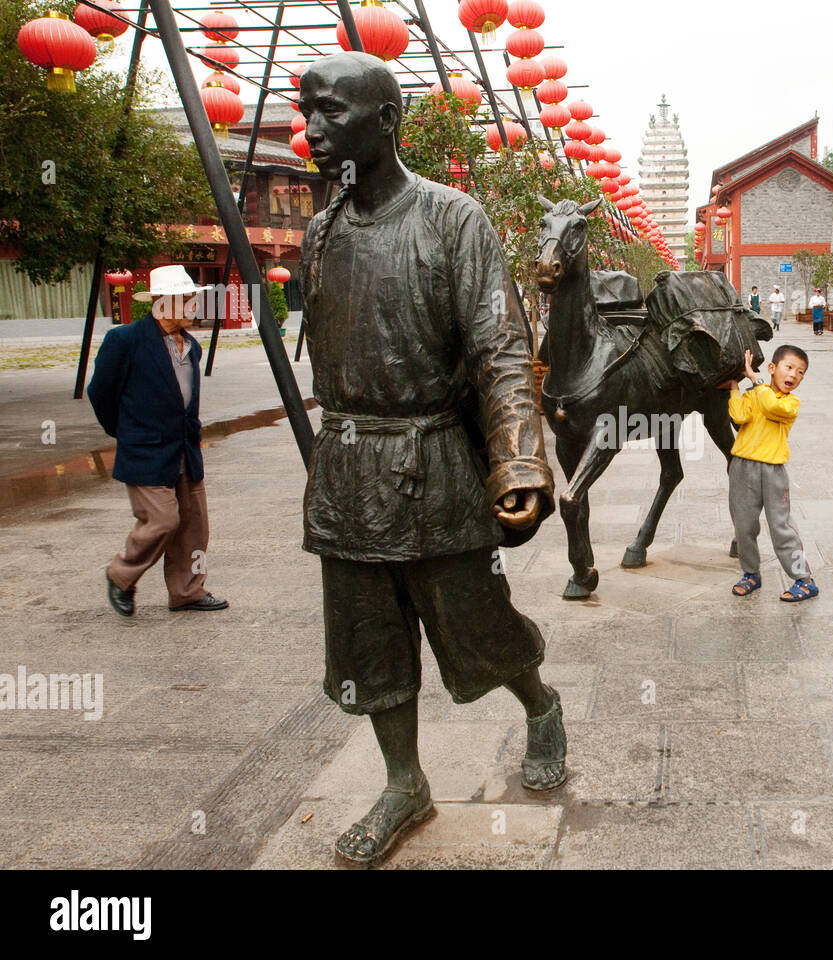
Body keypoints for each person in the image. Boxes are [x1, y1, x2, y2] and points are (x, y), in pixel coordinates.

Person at [298, 52, 565, 866]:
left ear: (385, 121)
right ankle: (403, 781)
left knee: (476, 625)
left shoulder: (454, 220)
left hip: (435, 465)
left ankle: (540, 702)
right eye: (306, 110)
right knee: (368, 645)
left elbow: (500, 350)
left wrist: (518, 461)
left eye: (333, 113)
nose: (312, 129)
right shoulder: (319, 232)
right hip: (348, 474)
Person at [87, 265, 228, 618]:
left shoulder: (190, 347)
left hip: (185, 449)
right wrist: (128, 432)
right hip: (145, 451)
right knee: (164, 520)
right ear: (165, 303)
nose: (195, 306)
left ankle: (187, 592)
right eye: (188, 300)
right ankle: (121, 575)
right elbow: (100, 393)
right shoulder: (126, 340)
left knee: (194, 526)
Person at [723, 346, 817, 602]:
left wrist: (755, 379)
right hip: (742, 466)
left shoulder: (790, 403)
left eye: (801, 373)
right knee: (744, 526)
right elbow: (739, 416)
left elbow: (770, 405)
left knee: (781, 526)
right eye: (789, 368)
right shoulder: (758, 393)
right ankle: (751, 574)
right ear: (773, 368)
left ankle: (804, 580)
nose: (794, 375)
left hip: (773, 472)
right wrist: (734, 387)